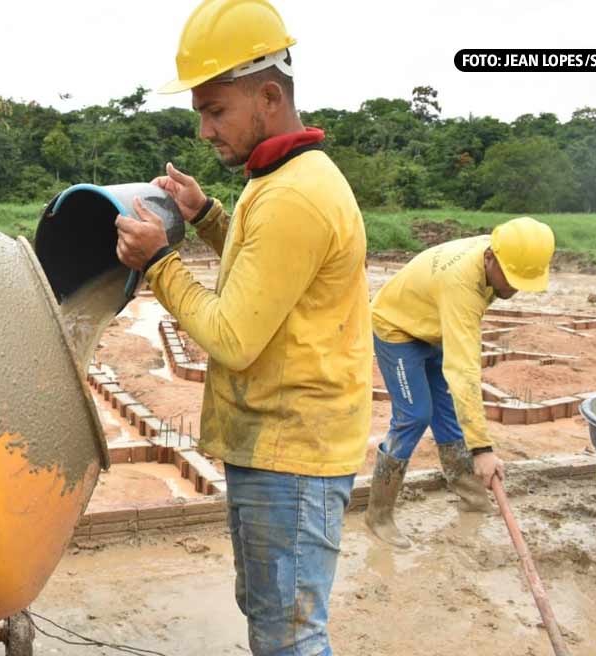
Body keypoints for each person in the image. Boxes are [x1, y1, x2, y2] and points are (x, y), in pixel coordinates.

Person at [114, 2, 371, 653]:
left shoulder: (293, 194)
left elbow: (230, 335)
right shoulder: (282, 175)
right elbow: (267, 268)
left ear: (269, 95)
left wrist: (159, 263)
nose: (203, 130)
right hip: (283, 445)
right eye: (200, 111)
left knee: (288, 635)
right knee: (274, 613)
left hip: (292, 453)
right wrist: (204, 216)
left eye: (216, 110)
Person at [365, 218, 555, 548]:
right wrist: (482, 450)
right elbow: (464, 371)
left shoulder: (501, 253)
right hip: (397, 328)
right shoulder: (462, 283)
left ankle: (472, 497)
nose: (513, 288)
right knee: (414, 415)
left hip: (433, 325)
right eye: (510, 279)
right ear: (490, 259)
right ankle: (378, 515)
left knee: (448, 415)